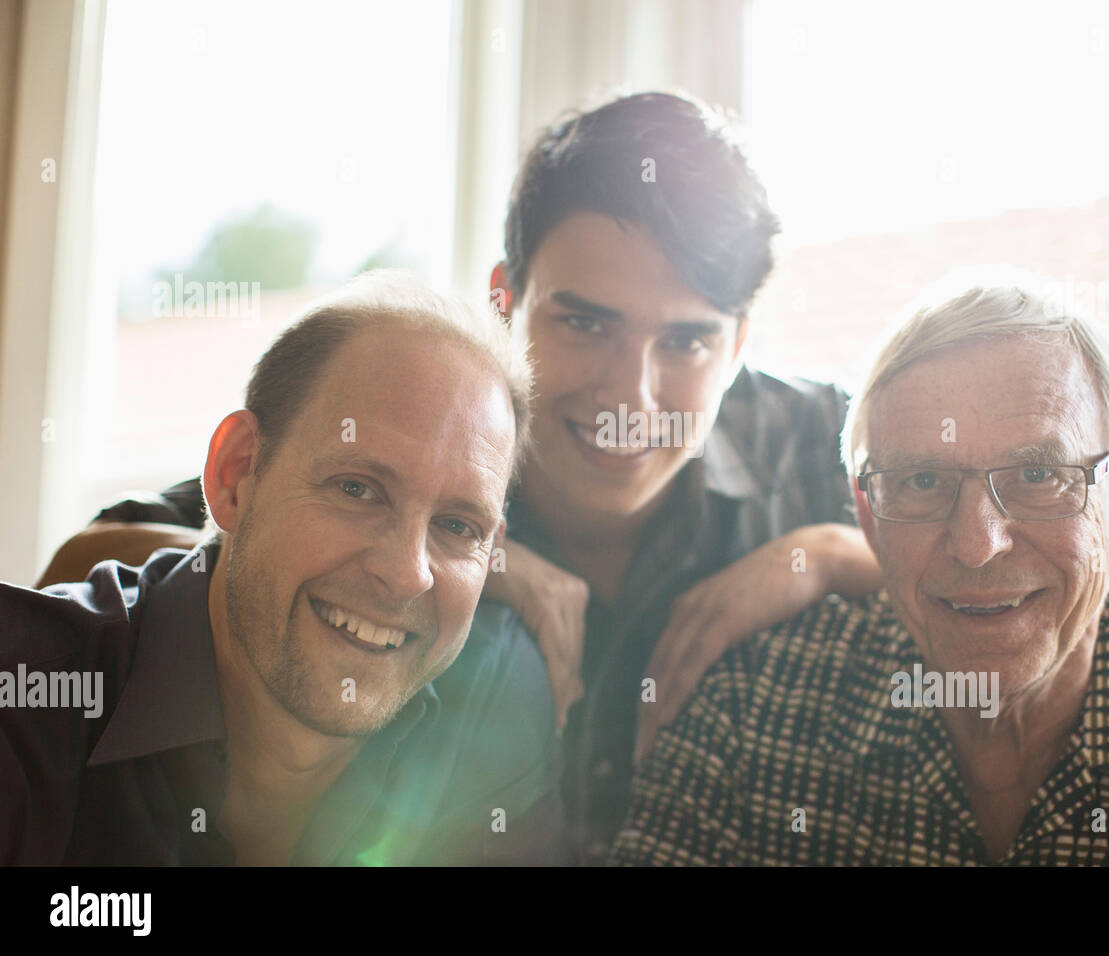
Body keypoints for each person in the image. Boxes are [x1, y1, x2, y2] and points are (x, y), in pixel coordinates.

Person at [37, 92, 884, 864]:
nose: (632, 393)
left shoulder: (826, 442)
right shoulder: (436, 421)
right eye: (587, 323)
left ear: (738, 344)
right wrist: (459, 570)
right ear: (503, 304)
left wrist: (834, 552)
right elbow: (86, 563)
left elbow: (995, 565)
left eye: (687, 342)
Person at [611, 270, 1109, 866]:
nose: (977, 544)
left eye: (1037, 473)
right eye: (920, 482)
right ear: (868, 516)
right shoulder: (752, 706)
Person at [1, 273, 564, 865]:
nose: (406, 574)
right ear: (235, 473)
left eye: (457, 526)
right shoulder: (25, 701)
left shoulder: (497, 707)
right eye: (357, 488)